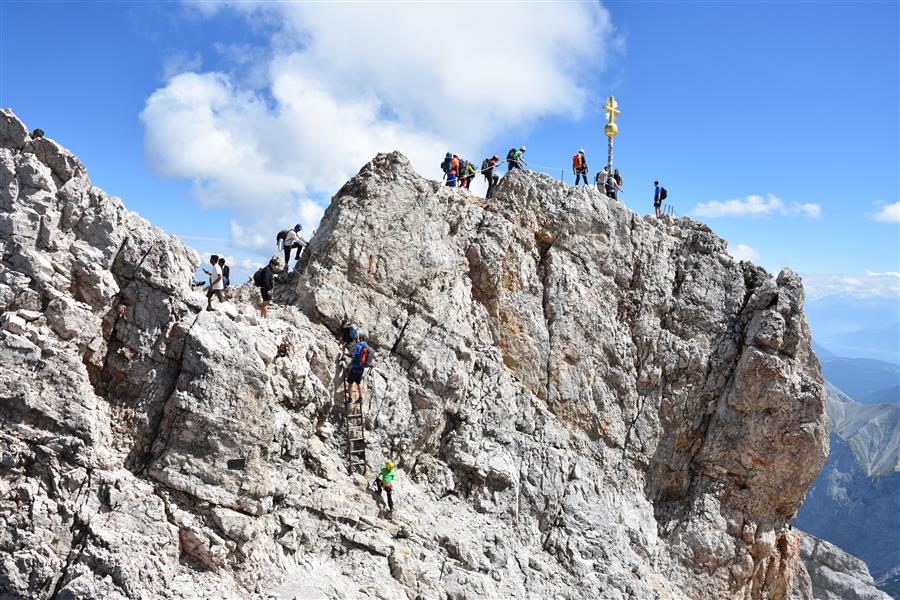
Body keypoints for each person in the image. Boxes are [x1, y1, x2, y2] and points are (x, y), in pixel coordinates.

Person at [346, 331, 370, 402]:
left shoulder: (359, 346)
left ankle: (350, 398)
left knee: (350, 383)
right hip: (361, 369)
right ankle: (361, 398)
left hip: (355, 368)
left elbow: (353, 355)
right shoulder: (367, 346)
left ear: (361, 338)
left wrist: (347, 353)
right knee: (358, 382)